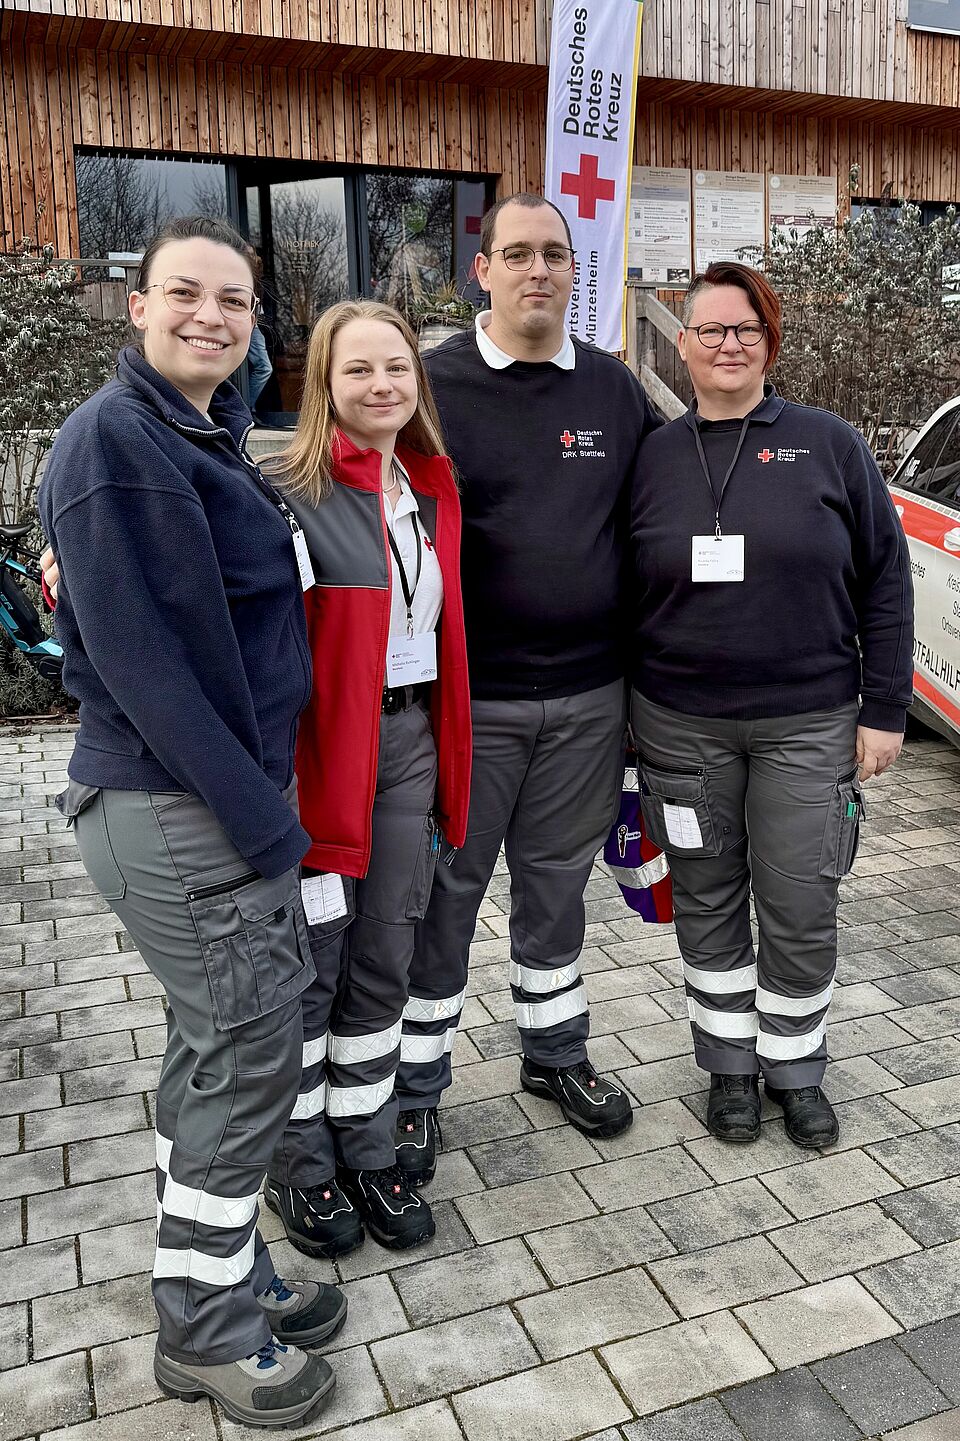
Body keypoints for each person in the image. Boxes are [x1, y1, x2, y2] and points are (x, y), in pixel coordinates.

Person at [37, 217, 344, 1431]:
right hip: (183, 805)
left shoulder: (195, 430)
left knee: (209, 1051)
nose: (211, 317)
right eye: (184, 293)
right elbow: (149, 669)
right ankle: (205, 1333)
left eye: (234, 301)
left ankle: (219, 1269)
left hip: (202, 801)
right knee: (251, 1056)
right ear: (137, 306)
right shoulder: (118, 442)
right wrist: (266, 823)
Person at [392, 192, 662, 1188]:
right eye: (517, 253)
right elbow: (338, 476)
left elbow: (669, 504)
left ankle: (554, 1052)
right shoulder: (430, 384)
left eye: (555, 252)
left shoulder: (614, 389)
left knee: (556, 885)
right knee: (445, 896)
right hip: (472, 701)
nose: (538, 269)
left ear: (573, 269)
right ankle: (415, 1089)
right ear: (484, 270)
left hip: (590, 698)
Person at [629, 261, 913, 1149]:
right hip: (679, 723)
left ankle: (795, 1068)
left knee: (799, 899)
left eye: (746, 330)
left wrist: (885, 707)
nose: (729, 344)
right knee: (707, 897)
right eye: (711, 329)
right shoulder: (652, 456)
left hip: (808, 719)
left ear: (769, 343)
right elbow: (618, 589)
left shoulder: (829, 444)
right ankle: (729, 1069)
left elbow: (887, 576)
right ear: (682, 346)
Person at [260, 301, 471, 1258]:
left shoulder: (428, 486)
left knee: (388, 950)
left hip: (410, 741)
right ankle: (300, 1164)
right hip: (319, 761)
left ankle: (367, 1145)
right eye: (359, 369)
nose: (382, 384)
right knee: (315, 964)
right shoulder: (284, 492)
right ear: (324, 385)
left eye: (398, 366)